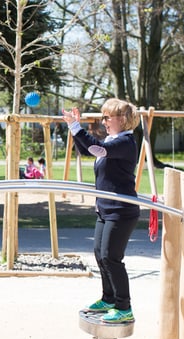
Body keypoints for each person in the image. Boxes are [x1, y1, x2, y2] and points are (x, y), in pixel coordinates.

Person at [61, 98, 140, 324]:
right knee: (100, 255)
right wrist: (73, 127)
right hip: (105, 209)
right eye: (102, 117)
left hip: (121, 211)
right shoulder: (113, 140)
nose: (103, 122)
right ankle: (109, 299)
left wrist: (77, 128)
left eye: (107, 117)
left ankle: (124, 307)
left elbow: (99, 149)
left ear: (122, 119)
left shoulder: (125, 141)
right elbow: (89, 151)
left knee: (111, 257)